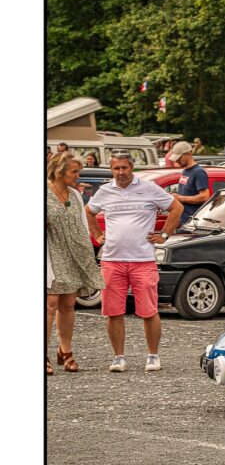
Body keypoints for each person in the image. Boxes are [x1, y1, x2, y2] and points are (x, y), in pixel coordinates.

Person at [86, 152, 183, 372]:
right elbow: (89, 211)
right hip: (112, 260)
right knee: (113, 311)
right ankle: (118, 357)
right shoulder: (105, 191)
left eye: (124, 168)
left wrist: (165, 235)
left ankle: (153, 356)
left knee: (149, 310)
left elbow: (176, 207)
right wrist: (97, 235)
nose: (120, 173)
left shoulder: (148, 188)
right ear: (111, 170)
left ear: (131, 167)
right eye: (116, 169)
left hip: (142, 259)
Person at [46, 153, 105, 374]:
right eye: (74, 172)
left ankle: (66, 350)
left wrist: (87, 257)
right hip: (51, 253)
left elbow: (82, 226)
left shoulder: (75, 195)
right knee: (50, 303)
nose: (78, 176)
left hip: (72, 254)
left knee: (68, 304)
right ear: (60, 171)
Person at [166, 140, 210, 226]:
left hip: (191, 223)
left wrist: (180, 198)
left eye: (179, 158)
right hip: (182, 220)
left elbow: (204, 196)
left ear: (189, 154)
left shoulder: (198, 172)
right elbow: (186, 192)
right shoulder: (185, 171)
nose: (177, 161)